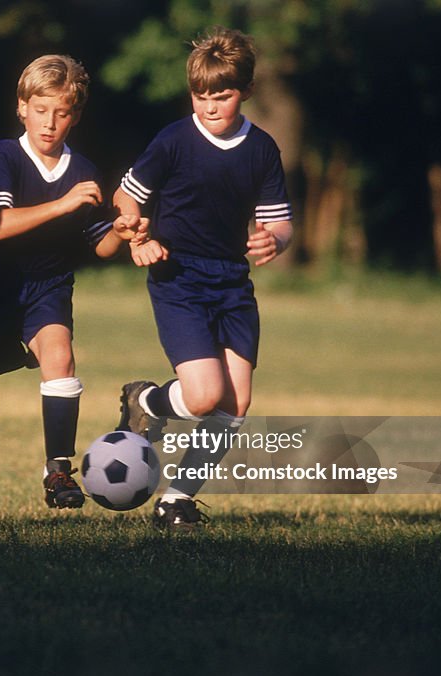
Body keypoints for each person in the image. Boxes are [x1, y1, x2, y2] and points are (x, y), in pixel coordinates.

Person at [0, 54, 146, 522]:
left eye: (62, 113)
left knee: (59, 357)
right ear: (22, 107)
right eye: (41, 110)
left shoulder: (83, 170)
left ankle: (58, 471)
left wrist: (121, 231)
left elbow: (97, 244)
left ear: (75, 115)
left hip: (48, 287)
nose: (50, 123)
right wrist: (63, 204)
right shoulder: (3, 157)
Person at [113, 26, 294, 531]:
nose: (211, 106)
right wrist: (134, 233)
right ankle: (144, 400)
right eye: (201, 96)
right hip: (178, 277)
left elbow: (280, 220)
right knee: (202, 397)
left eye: (224, 95)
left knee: (236, 403)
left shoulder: (261, 150)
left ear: (247, 91)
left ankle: (176, 501)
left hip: (233, 284)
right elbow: (126, 199)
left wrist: (276, 240)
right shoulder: (172, 141)